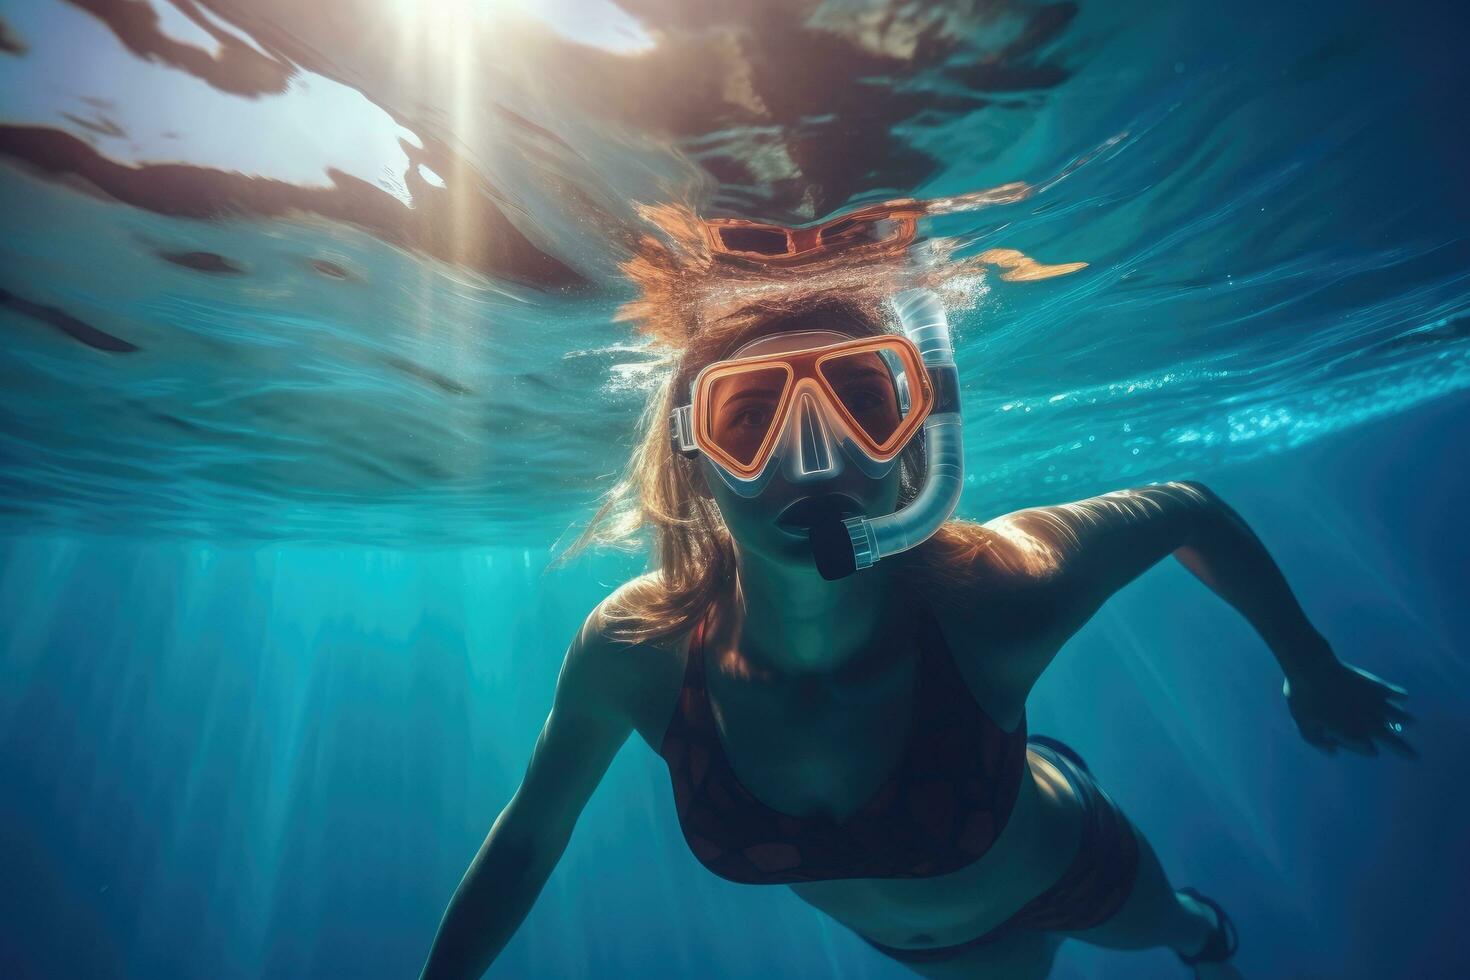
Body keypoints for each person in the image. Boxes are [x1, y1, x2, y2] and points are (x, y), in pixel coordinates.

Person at [419, 220, 1413, 980]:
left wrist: (1310, 664)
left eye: (861, 402)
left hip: (1076, 863)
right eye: (749, 417)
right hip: (923, 948)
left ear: (917, 440)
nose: (810, 459)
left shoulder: (995, 592)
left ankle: (1203, 934)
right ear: (695, 454)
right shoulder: (636, 647)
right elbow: (529, 834)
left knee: (1175, 930)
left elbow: (1184, 508)